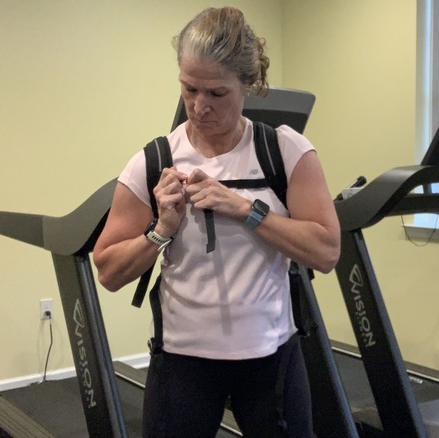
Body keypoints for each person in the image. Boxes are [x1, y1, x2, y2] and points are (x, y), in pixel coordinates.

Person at [93, 6, 340, 438]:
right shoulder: (154, 160)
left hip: (270, 357)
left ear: (248, 84)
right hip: (182, 363)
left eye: (216, 93)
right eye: (189, 89)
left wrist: (247, 210)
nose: (198, 106)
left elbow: (325, 251)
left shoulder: (284, 151)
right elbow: (109, 270)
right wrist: (161, 231)